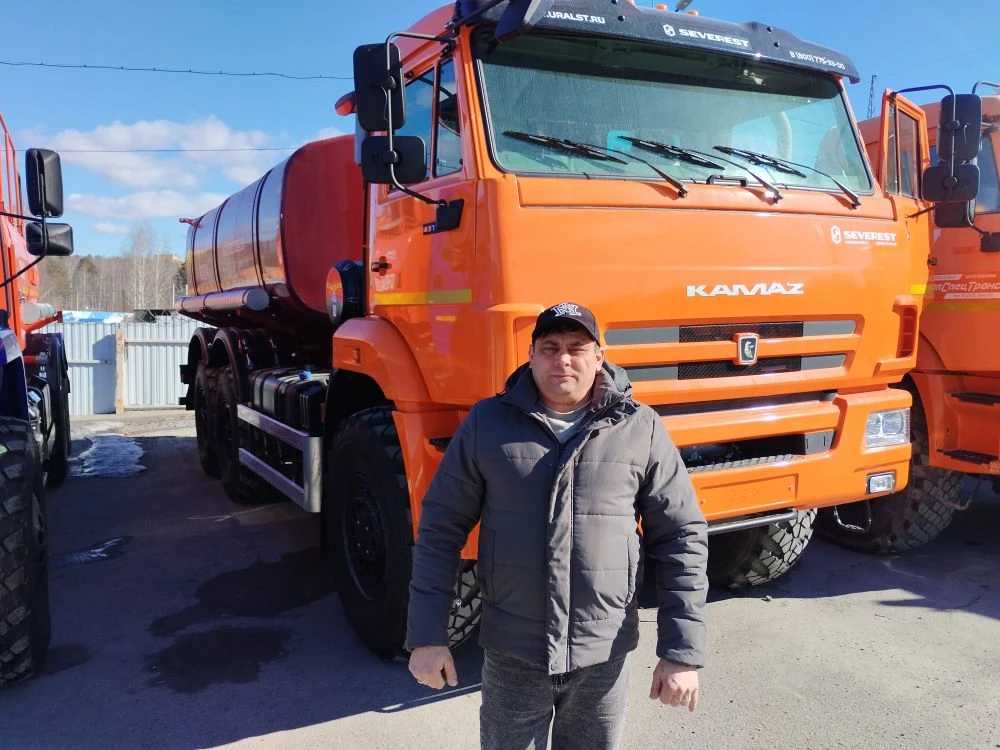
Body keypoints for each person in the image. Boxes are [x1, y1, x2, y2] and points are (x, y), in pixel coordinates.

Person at [406, 301, 708, 750]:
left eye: (576, 348)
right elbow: (439, 530)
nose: (563, 359)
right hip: (513, 654)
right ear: (531, 356)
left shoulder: (639, 427)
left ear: (599, 356)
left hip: (603, 653)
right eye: (549, 348)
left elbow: (681, 536)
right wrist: (428, 637)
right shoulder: (488, 424)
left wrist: (681, 652)